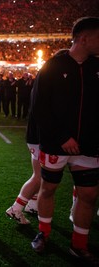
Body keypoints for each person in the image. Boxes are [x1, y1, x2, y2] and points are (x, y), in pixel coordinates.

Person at [30, 17, 99, 264]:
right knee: (48, 188)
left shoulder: (96, 68)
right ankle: (43, 233)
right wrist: (62, 137)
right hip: (56, 144)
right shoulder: (53, 66)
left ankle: (78, 245)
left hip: (89, 146)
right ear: (84, 38)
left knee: (89, 195)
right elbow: (39, 107)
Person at [5, 116, 40, 224]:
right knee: (41, 177)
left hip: (38, 133)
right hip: (42, 135)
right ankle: (16, 208)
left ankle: (33, 204)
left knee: (40, 175)